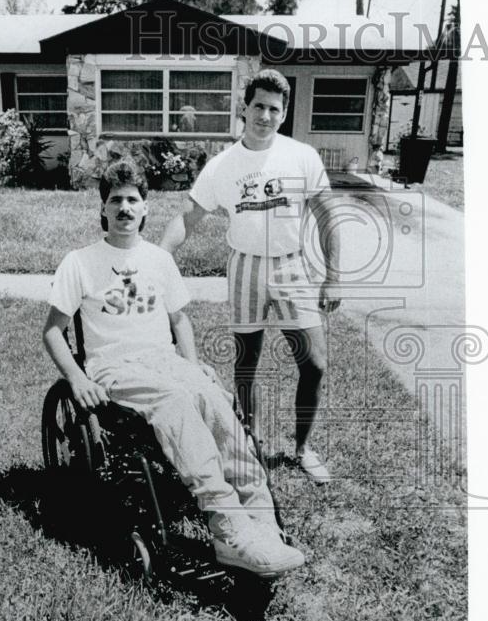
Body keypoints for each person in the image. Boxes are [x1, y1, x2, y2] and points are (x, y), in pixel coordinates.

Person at [42, 159, 305, 578]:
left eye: (133, 199)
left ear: (146, 208)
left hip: (163, 360)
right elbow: (53, 331)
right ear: (103, 210)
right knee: (177, 401)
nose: (125, 208)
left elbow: (180, 320)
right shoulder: (80, 261)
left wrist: (195, 366)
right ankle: (229, 531)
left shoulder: (159, 260)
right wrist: (77, 378)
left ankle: (262, 521)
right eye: (116, 201)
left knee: (212, 399)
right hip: (114, 366)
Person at [160, 69, 342, 484]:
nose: (264, 115)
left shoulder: (302, 156)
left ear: (284, 113)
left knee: (314, 363)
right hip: (245, 265)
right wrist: (159, 257)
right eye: (258, 105)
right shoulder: (223, 165)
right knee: (247, 365)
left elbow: (329, 218)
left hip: (292, 264)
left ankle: (302, 449)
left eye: (273, 109)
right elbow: (189, 218)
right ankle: (252, 445)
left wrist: (334, 275)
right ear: (244, 108)